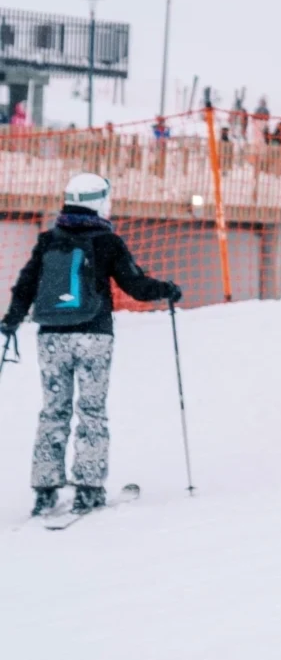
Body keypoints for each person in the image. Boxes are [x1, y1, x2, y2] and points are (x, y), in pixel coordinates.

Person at [2, 173, 179, 517]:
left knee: (53, 410)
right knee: (91, 411)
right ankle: (88, 487)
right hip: (94, 337)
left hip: (51, 337)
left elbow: (25, 285)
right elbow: (136, 286)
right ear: (99, 200)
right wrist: (167, 289)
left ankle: (45, 489)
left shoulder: (47, 241)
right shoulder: (107, 241)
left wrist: (11, 320)